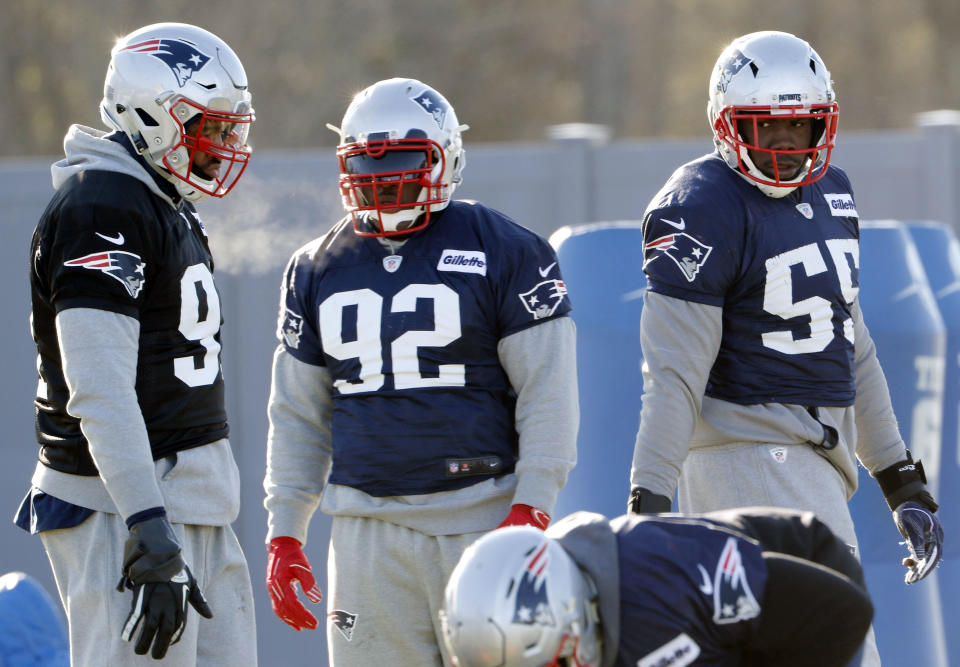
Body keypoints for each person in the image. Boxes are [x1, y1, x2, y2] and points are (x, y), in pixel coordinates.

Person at [624, 30, 943, 665]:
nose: (786, 149)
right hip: (750, 455)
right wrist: (648, 502)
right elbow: (673, 373)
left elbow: (852, 347)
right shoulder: (702, 204)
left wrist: (902, 480)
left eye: (802, 128)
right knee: (836, 647)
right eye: (766, 129)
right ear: (725, 123)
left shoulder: (833, 194)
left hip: (808, 460)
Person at [262, 77, 578, 666]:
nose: (383, 180)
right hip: (368, 535)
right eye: (365, 163)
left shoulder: (506, 247)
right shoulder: (314, 266)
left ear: (446, 156)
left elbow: (548, 392)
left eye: (405, 161)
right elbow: (299, 413)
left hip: (484, 518)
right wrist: (285, 531)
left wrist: (532, 506)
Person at [13, 22, 257, 665]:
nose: (223, 142)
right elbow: (97, 386)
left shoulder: (158, 197)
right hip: (128, 508)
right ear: (150, 114)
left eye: (230, 126)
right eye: (208, 126)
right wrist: (147, 527)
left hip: (190, 501)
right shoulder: (103, 206)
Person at [441, 507, 875, 667]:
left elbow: (842, 613)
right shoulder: (588, 610)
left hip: (805, 602)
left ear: (573, 613)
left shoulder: (660, 584)